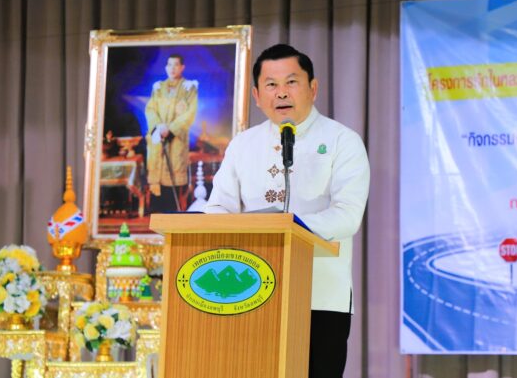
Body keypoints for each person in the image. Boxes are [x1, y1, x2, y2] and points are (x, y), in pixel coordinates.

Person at [204, 44, 370, 378]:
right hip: (249, 293)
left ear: (313, 88)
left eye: (291, 82)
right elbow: (218, 208)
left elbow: (347, 214)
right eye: (271, 85)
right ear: (256, 95)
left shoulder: (342, 141)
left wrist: (290, 227)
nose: (281, 93)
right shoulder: (243, 144)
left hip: (320, 297)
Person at [145, 54, 198, 213]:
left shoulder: (188, 87)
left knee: (174, 179)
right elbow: (150, 109)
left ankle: (175, 213)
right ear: (166, 67)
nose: (172, 68)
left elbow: (190, 112)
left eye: (176, 65)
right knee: (158, 176)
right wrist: (158, 126)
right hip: (158, 137)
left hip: (176, 139)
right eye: (169, 65)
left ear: (182, 67)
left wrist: (171, 129)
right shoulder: (158, 87)